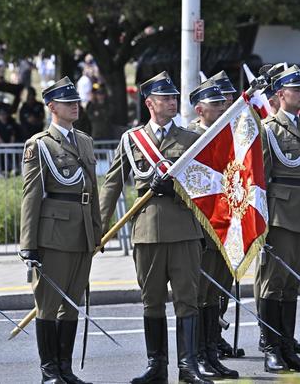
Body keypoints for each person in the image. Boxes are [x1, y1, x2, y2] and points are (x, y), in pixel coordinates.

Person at [99, 71, 210, 384]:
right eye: (166, 98)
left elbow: (204, 184)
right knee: (152, 299)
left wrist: (175, 189)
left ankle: (188, 366)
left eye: (174, 97)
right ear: (150, 103)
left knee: (187, 299)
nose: (173, 102)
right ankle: (156, 366)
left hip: (185, 231)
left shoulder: (191, 139)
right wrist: (98, 228)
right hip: (147, 232)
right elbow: (112, 184)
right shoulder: (132, 140)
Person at [19, 77, 101, 384]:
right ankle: (49, 370)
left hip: (81, 234)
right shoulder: (39, 145)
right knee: (49, 305)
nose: (75, 106)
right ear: (52, 107)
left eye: (76, 101)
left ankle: (65, 369)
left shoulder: (85, 142)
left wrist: (96, 229)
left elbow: (91, 191)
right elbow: (31, 196)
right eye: (68, 103)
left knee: (71, 304)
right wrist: (29, 244)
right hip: (53, 235)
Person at [258, 65, 300, 374]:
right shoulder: (268, 129)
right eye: (296, 89)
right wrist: (262, 224)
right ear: (280, 94)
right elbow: (259, 180)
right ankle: (272, 348)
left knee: (291, 286)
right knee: (274, 284)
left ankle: (288, 347)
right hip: (281, 217)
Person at [185, 80, 239, 379]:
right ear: (200, 109)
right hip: (202, 229)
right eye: (216, 105)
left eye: (223, 104)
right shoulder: (190, 138)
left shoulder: (225, 136)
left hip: (224, 226)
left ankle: (210, 353)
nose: (222, 108)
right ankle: (197, 358)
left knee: (214, 292)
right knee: (200, 293)